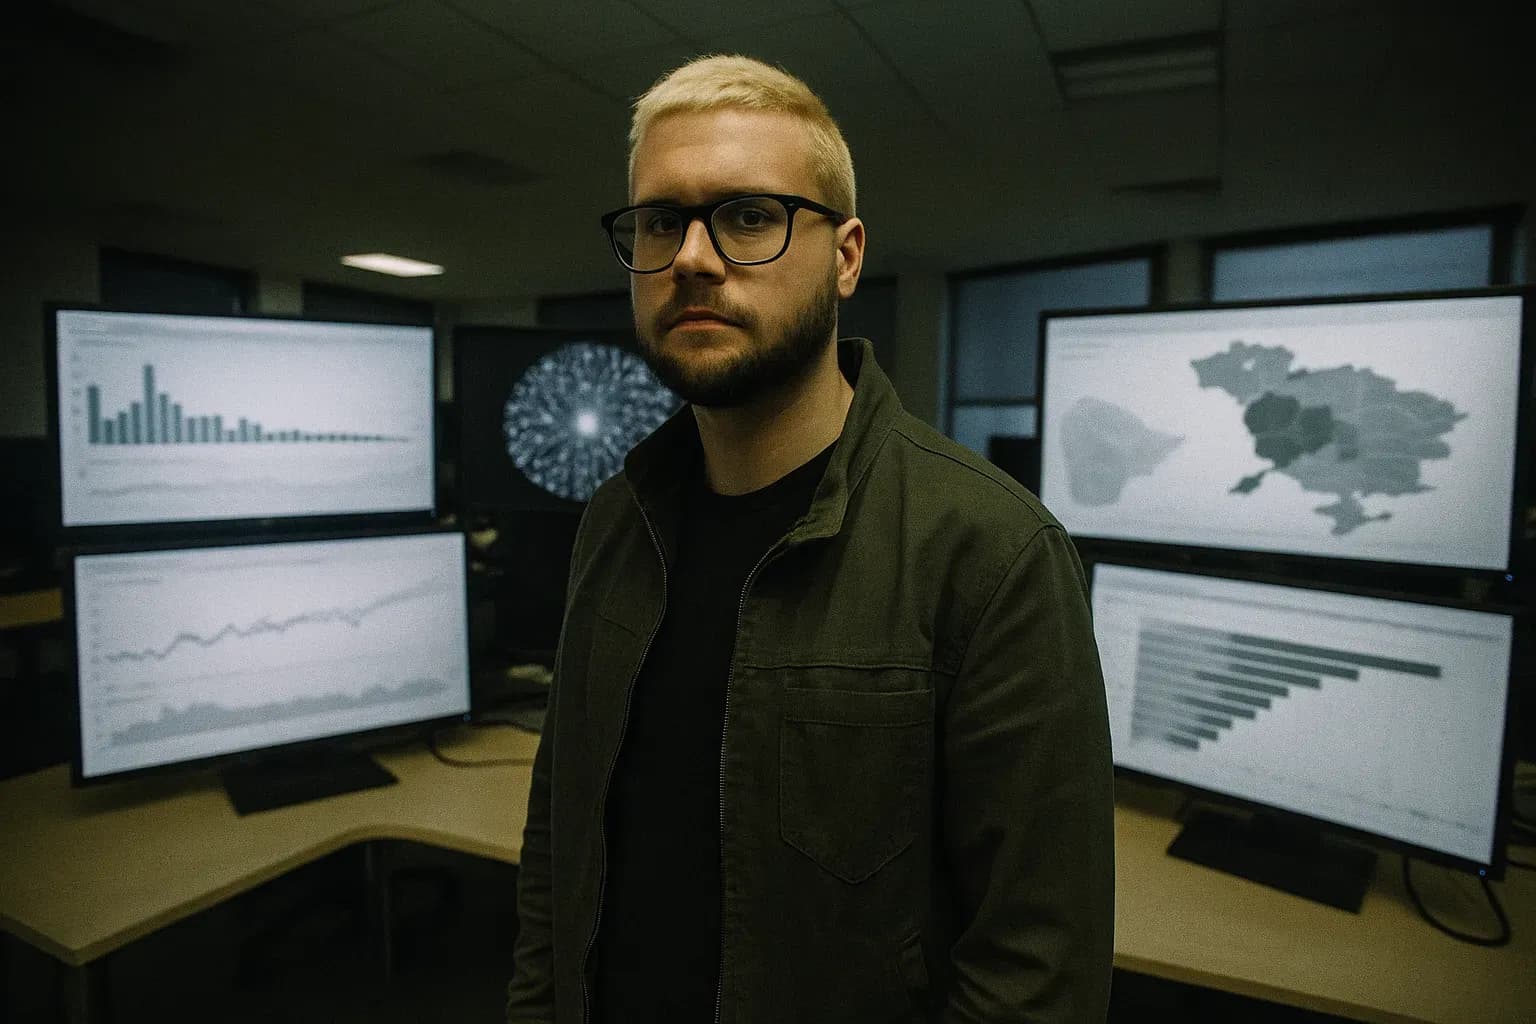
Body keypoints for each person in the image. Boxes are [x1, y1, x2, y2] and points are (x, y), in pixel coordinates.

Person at [506, 54, 1114, 1024]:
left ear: (847, 256)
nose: (691, 258)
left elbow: (1036, 974)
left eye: (748, 216)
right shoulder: (615, 522)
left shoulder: (992, 555)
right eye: (660, 222)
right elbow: (558, 848)